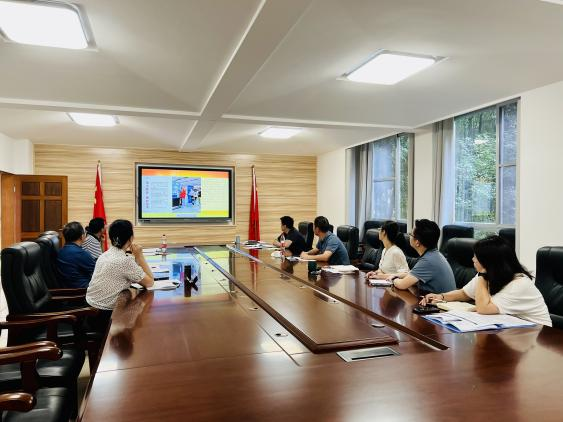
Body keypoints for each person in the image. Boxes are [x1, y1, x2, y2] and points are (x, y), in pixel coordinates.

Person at [421, 235, 552, 326]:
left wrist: (482, 276)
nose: (473, 259)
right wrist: (441, 296)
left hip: (538, 336)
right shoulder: (490, 274)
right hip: (511, 329)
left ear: (489, 262)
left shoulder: (519, 284)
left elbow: (483, 308)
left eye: (476, 257)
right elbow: (464, 293)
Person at [86, 219, 154, 318]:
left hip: (90, 308)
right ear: (130, 238)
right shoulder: (124, 261)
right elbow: (150, 283)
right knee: (143, 311)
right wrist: (139, 256)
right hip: (105, 314)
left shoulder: (105, 254)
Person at [385, 219, 455, 293]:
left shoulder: (428, 261)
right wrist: (397, 276)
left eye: (410, 234)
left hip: (439, 299)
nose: (409, 236)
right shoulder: (434, 255)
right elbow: (411, 274)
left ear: (417, 242)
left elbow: (402, 285)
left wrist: (393, 279)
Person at [57, 221, 96, 288]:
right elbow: (98, 270)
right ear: (82, 236)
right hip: (81, 291)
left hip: (67, 289)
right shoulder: (81, 253)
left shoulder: (60, 251)